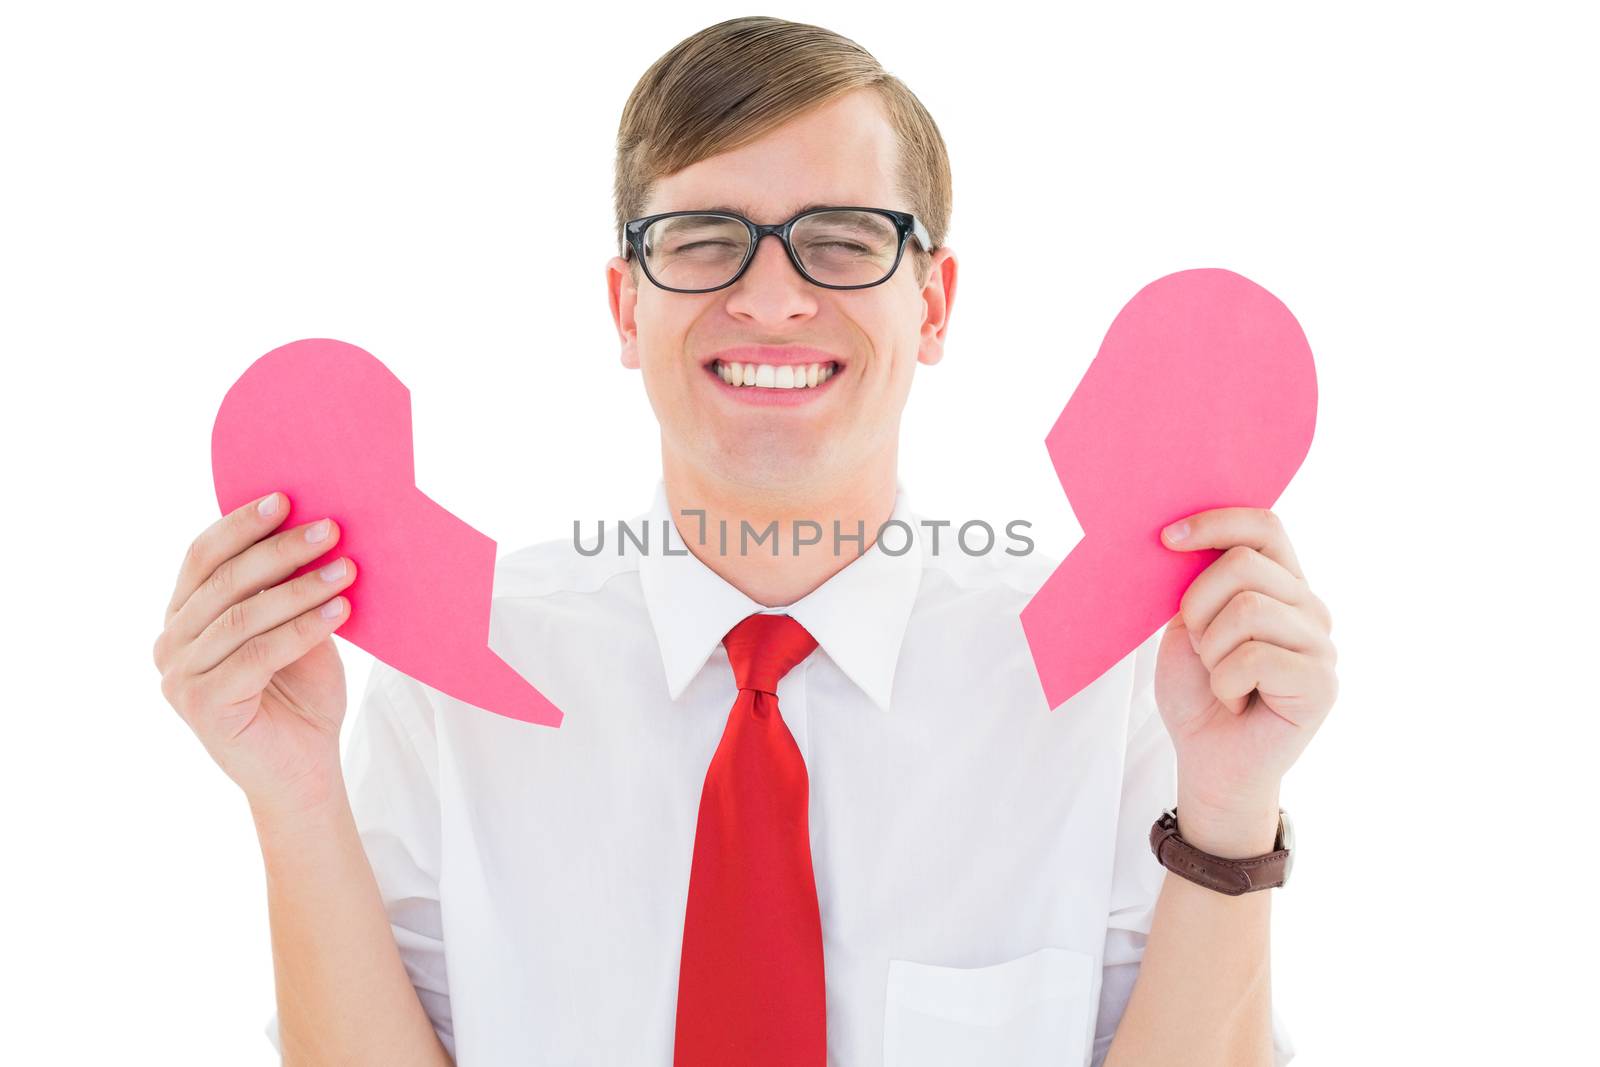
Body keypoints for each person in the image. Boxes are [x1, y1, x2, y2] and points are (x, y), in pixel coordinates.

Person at [152, 16, 1335, 1066]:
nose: (771, 298)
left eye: (841, 236)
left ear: (931, 305)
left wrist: (1231, 804)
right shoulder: (460, 681)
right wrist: (292, 793)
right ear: (627, 305)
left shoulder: (1110, 687)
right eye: (706, 238)